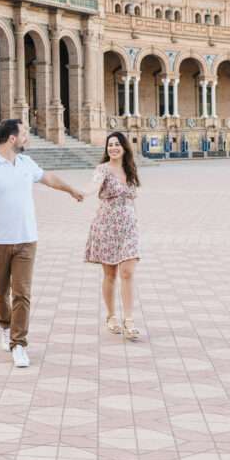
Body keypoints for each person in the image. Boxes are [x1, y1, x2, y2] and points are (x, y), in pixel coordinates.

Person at [0, 119, 84, 368]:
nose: (27, 136)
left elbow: (48, 178)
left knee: (22, 293)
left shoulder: (26, 162)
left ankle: (19, 343)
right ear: (12, 138)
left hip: (27, 240)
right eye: (25, 133)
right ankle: (5, 327)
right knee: (0, 291)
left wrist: (70, 190)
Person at [83, 131, 142, 340]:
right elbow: (94, 184)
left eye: (117, 144)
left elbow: (132, 199)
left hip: (128, 228)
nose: (113, 148)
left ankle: (129, 320)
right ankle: (110, 316)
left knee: (127, 272)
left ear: (125, 147)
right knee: (110, 275)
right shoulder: (103, 169)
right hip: (107, 227)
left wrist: (135, 221)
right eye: (110, 145)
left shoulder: (130, 169)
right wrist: (84, 192)